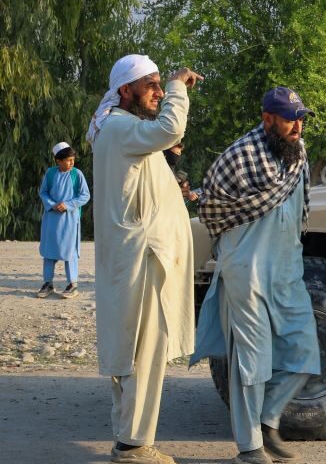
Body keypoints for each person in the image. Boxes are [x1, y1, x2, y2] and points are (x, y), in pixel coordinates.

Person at [192, 87, 319, 464]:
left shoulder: (298, 154)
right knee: (252, 363)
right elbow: (213, 211)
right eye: (288, 118)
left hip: (286, 271)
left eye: (300, 118)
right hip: (246, 273)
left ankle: (267, 421)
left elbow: (299, 211)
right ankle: (249, 448)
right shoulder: (238, 157)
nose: (297, 125)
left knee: (305, 350)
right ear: (267, 120)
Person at [90, 54, 203, 464]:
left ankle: (129, 439)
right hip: (143, 262)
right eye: (150, 84)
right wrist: (177, 85)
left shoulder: (120, 129)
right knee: (144, 354)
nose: (157, 91)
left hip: (138, 261)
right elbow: (171, 126)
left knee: (134, 352)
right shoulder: (121, 126)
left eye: (160, 84)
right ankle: (135, 446)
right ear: (125, 91)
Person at [37, 142, 91, 299]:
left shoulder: (77, 174)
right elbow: (43, 192)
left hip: (69, 219)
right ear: (58, 160)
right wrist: (52, 205)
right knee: (49, 251)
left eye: (73, 159)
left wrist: (67, 205)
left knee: (70, 252)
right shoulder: (50, 173)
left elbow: (85, 195)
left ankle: (72, 284)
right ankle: (48, 283)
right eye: (68, 160)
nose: (72, 163)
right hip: (51, 218)